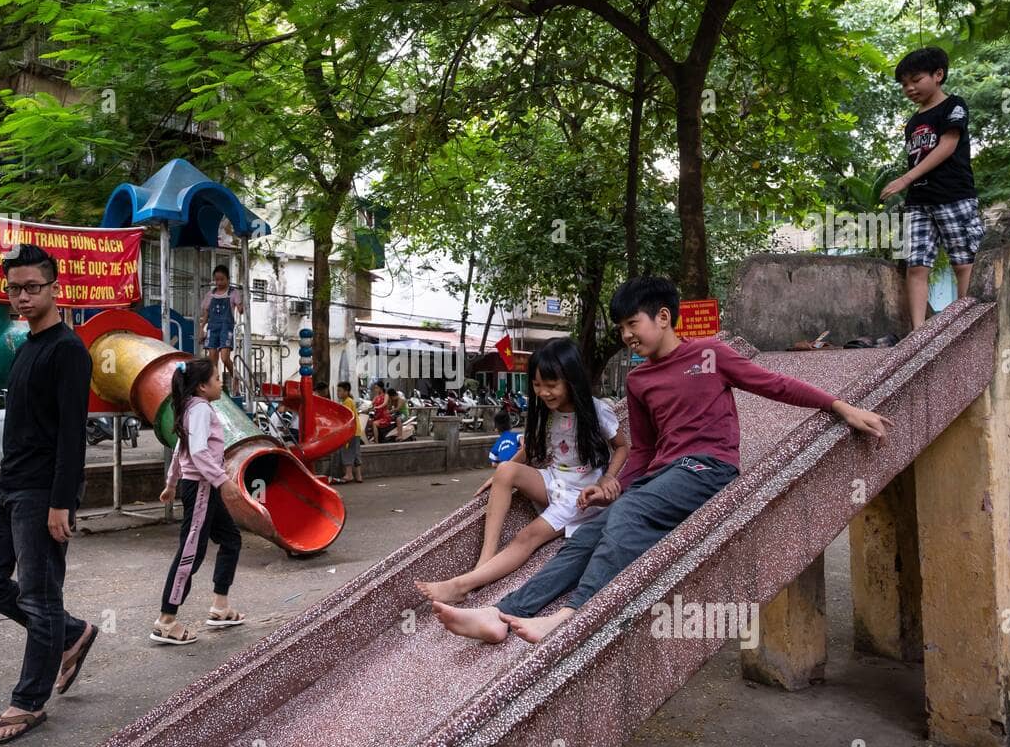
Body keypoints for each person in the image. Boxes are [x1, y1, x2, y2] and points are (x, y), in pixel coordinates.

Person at [433, 276, 893, 645]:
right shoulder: (638, 382)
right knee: (588, 532)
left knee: (628, 516)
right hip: (659, 477)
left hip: (707, 469)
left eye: (633, 324)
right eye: (621, 329)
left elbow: (774, 384)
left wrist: (839, 406)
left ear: (664, 317)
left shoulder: (710, 355)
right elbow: (645, 451)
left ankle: (574, 614)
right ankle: (504, 612)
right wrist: (612, 485)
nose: (627, 335)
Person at [0, 243, 97, 746]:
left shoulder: (68, 350)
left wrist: (63, 501)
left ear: (54, 288)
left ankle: (28, 701)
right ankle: (70, 633)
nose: (21, 296)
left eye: (31, 287)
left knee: (40, 596)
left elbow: (71, 433)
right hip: (8, 486)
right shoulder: (25, 347)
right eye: (14, 288)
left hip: (43, 491)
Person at [416, 337, 628, 606]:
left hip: (580, 497)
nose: (544, 393)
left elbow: (622, 446)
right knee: (505, 469)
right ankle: (485, 559)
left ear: (571, 380)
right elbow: (531, 448)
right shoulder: (546, 412)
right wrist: (501, 475)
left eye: (552, 385)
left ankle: (463, 585)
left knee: (526, 537)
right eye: (538, 385)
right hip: (554, 480)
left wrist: (608, 477)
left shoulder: (597, 411)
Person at [880, 46, 982, 329]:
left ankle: (965, 328)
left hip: (954, 195)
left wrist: (905, 179)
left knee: (963, 263)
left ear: (938, 75)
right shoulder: (913, 121)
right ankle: (918, 332)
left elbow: (947, 146)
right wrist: (911, 183)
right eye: (904, 84)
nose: (909, 88)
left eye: (915, 79)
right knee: (916, 265)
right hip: (919, 201)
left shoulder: (954, 106)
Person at [153, 357, 246, 643]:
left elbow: (180, 448)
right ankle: (166, 621)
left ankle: (220, 606)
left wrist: (171, 484)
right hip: (203, 487)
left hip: (202, 486)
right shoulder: (201, 410)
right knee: (190, 554)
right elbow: (197, 452)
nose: (222, 383)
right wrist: (223, 481)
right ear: (203, 387)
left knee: (231, 539)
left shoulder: (193, 408)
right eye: (218, 379)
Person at [199, 264, 244, 396]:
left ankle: (235, 378)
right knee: (212, 360)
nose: (219, 282)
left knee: (224, 358)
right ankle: (216, 385)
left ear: (228, 279)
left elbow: (241, 310)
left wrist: (243, 302)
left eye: (222, 279)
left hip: (226, 328)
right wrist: (201, 329)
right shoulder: (210, 294)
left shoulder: (233, 293)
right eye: (217, 280)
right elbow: (206, 314)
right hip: (212, 328)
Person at [334, 380, 363, 484]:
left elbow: (345, 418)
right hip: (356, 431)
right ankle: (358, 475)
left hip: (350, 432)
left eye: (340, 391)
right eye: (338, 391)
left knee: (347, 452)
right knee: (355, 452)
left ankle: (349, 474)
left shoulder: (347, 402)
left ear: (346, 391)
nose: (338, 393)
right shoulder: (350, 400)